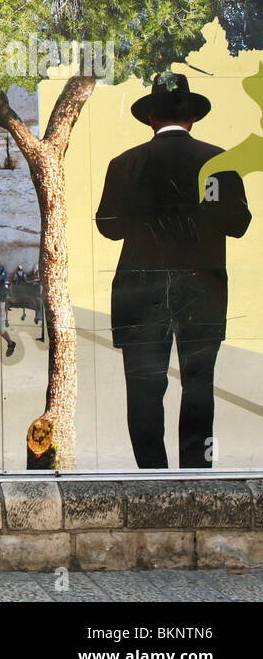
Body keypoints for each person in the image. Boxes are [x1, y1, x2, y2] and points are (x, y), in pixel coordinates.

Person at [96, 72, 251, 469]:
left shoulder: (124, 163)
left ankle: (152, 475)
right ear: (192, 118)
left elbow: (109, 227)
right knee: (199, 386)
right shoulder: (218, 162)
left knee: (145, 389)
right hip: (203, 290)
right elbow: (238, 224)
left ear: (150, 118)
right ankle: (198, 473)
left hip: (139, 291)